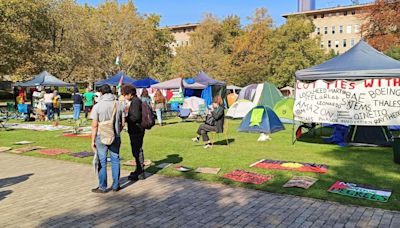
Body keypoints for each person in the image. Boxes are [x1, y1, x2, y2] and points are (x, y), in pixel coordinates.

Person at [91, 84, 124, 193]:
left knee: (102, 161)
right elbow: (123, 122)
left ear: (101, 93)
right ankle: (116, 185)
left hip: (101, 135)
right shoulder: (119, 104)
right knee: (115, 160)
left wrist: (92, 140)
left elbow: (94, 125)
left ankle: (102, 186)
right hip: (115, 135)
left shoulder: (97, 106)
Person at [121, 84, 145, 181]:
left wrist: (125, 119)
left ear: (130, 94)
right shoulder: (136, 101)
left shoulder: (135, 102)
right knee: (137, 149)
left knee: (137, 150)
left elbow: (135, 117)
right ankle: (139, 169)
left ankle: (140, 171)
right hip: (137, 129)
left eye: (125, 95)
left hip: (136, 129)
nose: (125, 97)